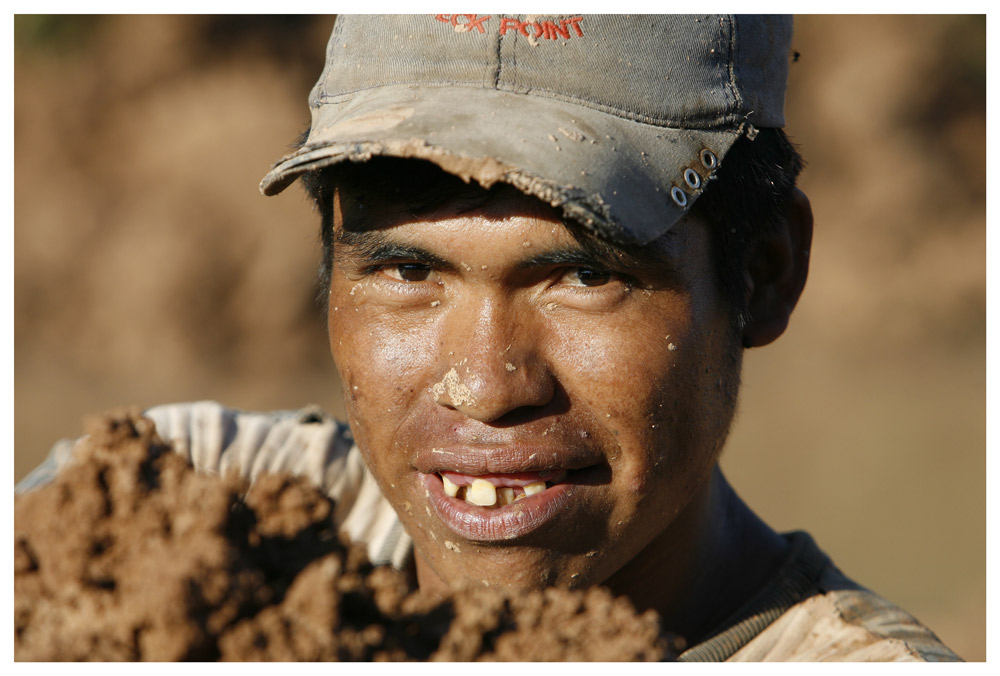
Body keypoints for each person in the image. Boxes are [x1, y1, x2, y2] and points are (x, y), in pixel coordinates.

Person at [18, 14, 960, 661]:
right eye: (408, 272)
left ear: (763, 273)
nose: (486, 384)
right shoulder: (180, 525)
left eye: (587, 275)